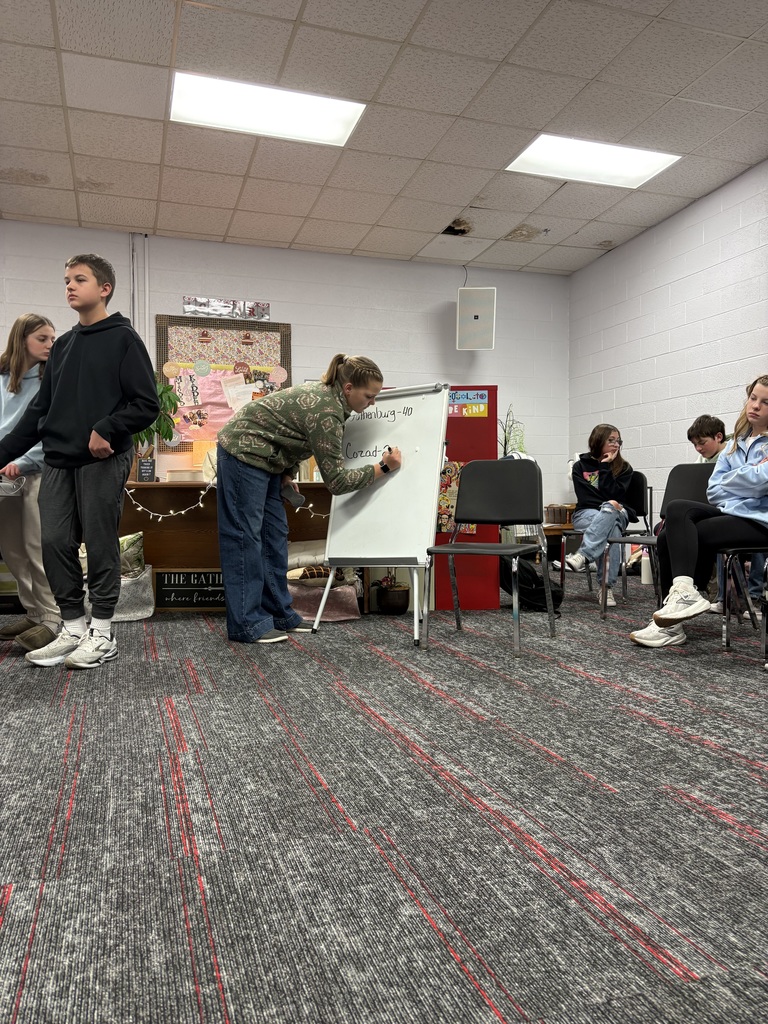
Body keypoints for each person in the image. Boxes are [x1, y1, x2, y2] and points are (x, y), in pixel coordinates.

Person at [0, 254, 159, 669]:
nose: (69, 286)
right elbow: (40, 414)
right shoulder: (65, 345)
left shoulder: (125, 338)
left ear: (104, 288)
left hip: (101, 461)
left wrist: (107, 425)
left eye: (80, 279)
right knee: (53, 542)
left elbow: (146, 405)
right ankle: (72, 626)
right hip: (57, 461)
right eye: (66, 280)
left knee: (99, 540)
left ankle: (103, 632)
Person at [216, 353, 401, 644]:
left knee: (274, 534)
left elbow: (287, 431)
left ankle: (279, 613)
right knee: (244, 537)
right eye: (370, 396)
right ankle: (246, 624)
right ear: (349, 388)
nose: (372, 403)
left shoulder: (333, 402)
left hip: (268, 458)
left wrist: (287, 473)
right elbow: (337, 483)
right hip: (243, 452)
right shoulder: (327, 411)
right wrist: (383, 467)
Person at [631, 374, 768, 648]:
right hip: (729, 512)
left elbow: (763, 481)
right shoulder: (734, 443)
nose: (755, 405)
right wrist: (749, 477)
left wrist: (742, 480)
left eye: (765, 402)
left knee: (685, 532)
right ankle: (677, 605)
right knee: (674, 515)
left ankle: (675, 617)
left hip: (758, 521)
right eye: (753, 398)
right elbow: (715, 489)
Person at [0, 314, 60, 651]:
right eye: (42, 338)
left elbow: (49, 431)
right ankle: (34, 611)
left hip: (36, 471)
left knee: (36, 546)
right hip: (3, 471)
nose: (50, 345)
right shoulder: (3, 377)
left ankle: (53, 617)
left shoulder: (51, 379)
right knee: (12, 548)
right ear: (22, 339)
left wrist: (22, 461)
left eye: (52, 338)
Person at [564, 424, 637, 608]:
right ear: (597, 441)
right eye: (610, 440)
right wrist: (608, 503)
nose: (616, 444)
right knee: (611, 527)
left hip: (620, 512)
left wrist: (604, 468)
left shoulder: (624, 468)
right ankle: (606, 587)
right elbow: (586, 497)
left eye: (618, 441)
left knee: (612, 508)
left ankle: (583, 555)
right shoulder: (580, 466)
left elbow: (618, 495)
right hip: (586, 513)